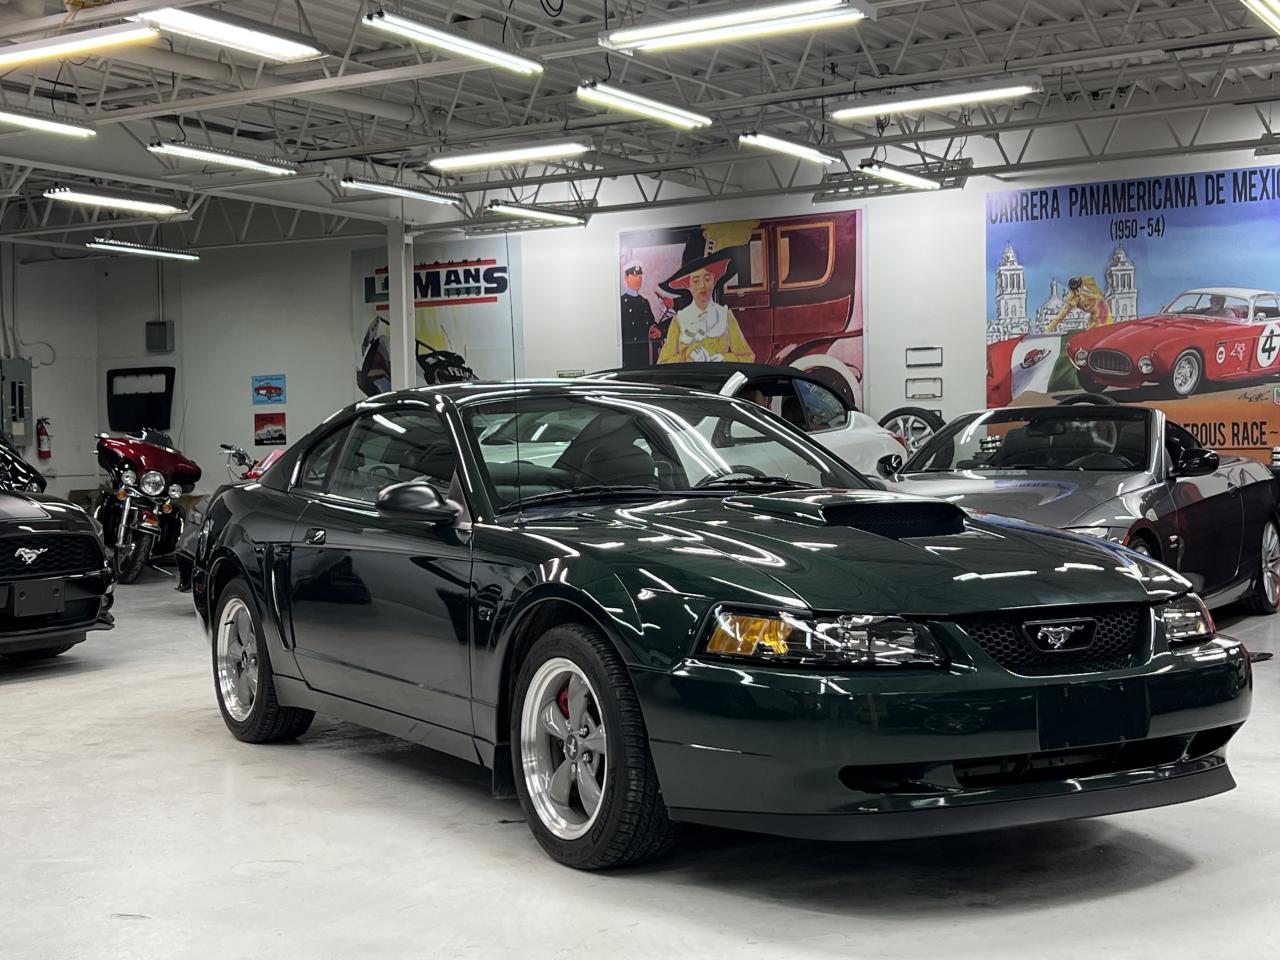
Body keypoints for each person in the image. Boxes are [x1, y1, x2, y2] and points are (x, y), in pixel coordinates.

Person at [657, 253, 755, 364]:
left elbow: (748, 357)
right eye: (696, 281)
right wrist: (688, 356)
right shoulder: (679, 320)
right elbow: (663, 362)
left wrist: (724, 358)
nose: (702, 286)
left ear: (714, 281)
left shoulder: (725, 315)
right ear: (688, 285)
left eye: (707, 279)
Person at [619, 261, 659, 368]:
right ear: (626, 278)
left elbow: (652, 324)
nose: (638, 280)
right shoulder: (621, 302)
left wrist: (658, 331)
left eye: (640, 277)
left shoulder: (644, 302)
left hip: (645, 355)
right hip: (629, 356)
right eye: (634, 276)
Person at [1046, 276, 1112, 333]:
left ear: (1081, 286)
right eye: (1075, 291)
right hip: (1093, 317)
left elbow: (1100, 299)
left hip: (1103, 312)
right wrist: (1048, 329)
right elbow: (1061, 315)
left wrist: (1087, 295)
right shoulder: (1073, 300)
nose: (1077, 292)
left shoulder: (1090, 292)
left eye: (1078, 289)